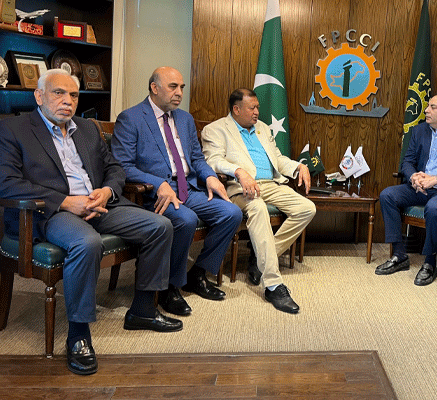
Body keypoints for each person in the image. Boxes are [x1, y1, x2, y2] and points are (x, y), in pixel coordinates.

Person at [0, 69, 182, 376]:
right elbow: (6, 183)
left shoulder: (86, 128)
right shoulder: (13, 129)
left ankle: (142, 310)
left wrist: (107, 191)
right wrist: (65, 201)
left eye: (73, 95)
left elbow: (114, 168)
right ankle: (78, 334)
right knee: (87, 243)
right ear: (39, 96)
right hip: (51, 212)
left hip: (100, 204)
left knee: (160, 226)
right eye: (59, 93)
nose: (67, 101)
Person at [111, 67, 242, 317]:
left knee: (231, 213)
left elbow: (197, 158)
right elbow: (122, 166)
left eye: (182, 87)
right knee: (185, 219)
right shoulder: (131, 118)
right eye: (173, 87)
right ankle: (169, 288)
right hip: (154, 193)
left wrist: (210, 176)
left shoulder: (185, 119)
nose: (179, 92)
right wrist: (156, 182)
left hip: (189, 187)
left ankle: (197, 274)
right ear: (154, 88)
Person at [200, 88, 316, 314]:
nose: (257, 112)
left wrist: (298, 166)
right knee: (259, 209)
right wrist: (238, 171)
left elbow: (278, 159)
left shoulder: (263, 128)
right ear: (236, 109)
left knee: (306, 208)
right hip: (240, 188)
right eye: (252, 108)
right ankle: (273, 284)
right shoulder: (215, 130)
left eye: (258, 107)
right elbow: (213, 161)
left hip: (271, 184)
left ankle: (261, 256)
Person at [375, 92, 437, 286]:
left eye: (433, 107)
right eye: (428, 106)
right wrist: (413, 176)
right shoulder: (419, 130)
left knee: (434, 207)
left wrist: (436, 179)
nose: (426, 110)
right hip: (419, 188)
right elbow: (407, 161)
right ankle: (399, 255)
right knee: (387, 195)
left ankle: (430, 262)